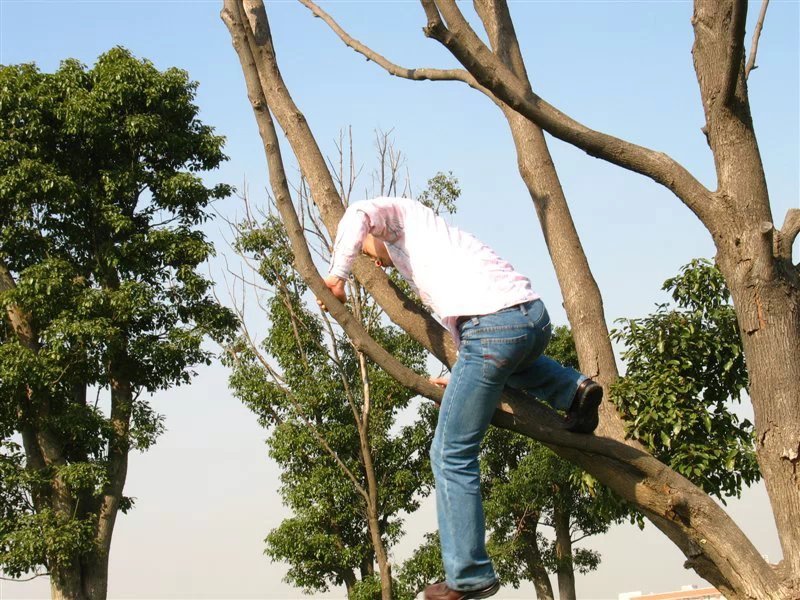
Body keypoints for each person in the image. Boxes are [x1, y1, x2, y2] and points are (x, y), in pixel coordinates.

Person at [318, 197, 602, 600]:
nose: (378, 262)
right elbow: (490, 350)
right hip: (530, 319)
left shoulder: (401, 218)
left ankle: (469, 576)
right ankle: (574, 390)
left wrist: (337, 276)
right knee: (511, 362)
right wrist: (463, 380)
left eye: (371, 250)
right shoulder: (443, 247)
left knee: (450, 453)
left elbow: (358, 214)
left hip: (491, 330)